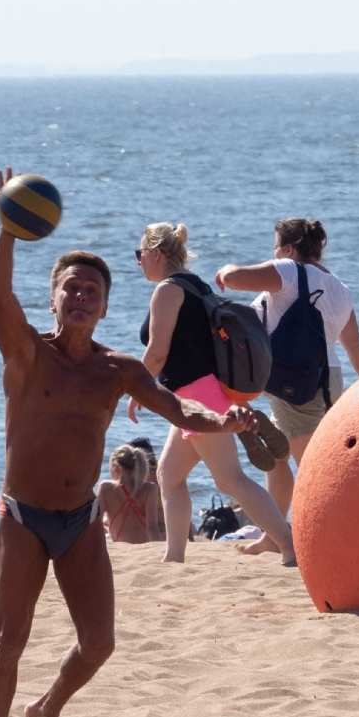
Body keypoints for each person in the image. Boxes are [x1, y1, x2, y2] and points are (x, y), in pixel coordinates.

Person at [0, 167, 255, 717]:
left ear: (105, 307)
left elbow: (178, 408)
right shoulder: (27, 353)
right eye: (71, 289)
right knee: (9, 643)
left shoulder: (119, 370)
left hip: (80, 520)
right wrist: (7, 230)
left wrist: (223, 420)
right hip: (23, 518)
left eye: (92, 292)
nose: (81, 297)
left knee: (99, 643)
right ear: (53, 300)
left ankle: (46, 711)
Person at [131, 221, 297, 566]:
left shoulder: (167, 290)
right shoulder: (196, 285)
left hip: (196, 396)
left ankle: (289, 543)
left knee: (230, 478)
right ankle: (174, 557)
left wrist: (137, 387)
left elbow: (157, 352)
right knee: (169, 475)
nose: (138, 260)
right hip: (197, 395)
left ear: (156, 254)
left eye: (140, 253)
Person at [213, 218, 359, 520]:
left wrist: (223, 270)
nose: (274, 254)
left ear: (288, 249)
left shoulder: (289, 271)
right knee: (278, 457)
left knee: (313, 469)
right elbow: (355, 346)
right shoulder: (340, 288)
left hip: (298, 381)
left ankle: (335, 528)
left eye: (276, 248)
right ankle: (274, 531)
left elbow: (233, 278)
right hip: (329, 379)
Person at [98, 444, 163, 543]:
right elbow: (152, 527)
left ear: (115, 467)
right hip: (144, 545)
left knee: (104, 525)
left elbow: (96, 523)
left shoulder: (105, 488)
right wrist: (157, 548)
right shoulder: (150, 489)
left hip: (119, 544)